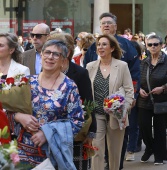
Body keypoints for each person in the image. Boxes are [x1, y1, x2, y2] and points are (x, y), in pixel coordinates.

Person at [8, 39, 84, 169]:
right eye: (47, 52)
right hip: (21, 153)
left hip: (53, 155)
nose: (50, 57)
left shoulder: (69, 87)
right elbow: (8, 110)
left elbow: (77, 121)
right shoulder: (27, 82)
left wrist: (48, 134)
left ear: (63, 61)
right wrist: (18, 116)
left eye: (56, 54)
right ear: (41, 55)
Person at [83, 12, 140, 170]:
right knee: (97, 150)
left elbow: (129, 90)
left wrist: (124, 108)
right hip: (97, 114)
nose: (100, 48)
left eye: (104, 45)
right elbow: (86, 90)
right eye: (98, 45)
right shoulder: (90, 66)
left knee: (115, 153)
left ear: (112, 48)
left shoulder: (122, 66)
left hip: (117, 115)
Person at [48, 31, 97, 170]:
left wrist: (90, 133)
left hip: (76, 134)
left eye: (56, 49)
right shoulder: (46, 71)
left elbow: (89, 103)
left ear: (68, 52)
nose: (52, 54)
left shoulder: (80, 73)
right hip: (51, 133)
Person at [137, 34, 167, 165]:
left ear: (162, 45)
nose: (153, 47)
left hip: (162, 99)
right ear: (146, 46)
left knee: (160, 129)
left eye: (156, 44)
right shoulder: (144, 61)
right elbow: (136, 79)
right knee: (144, 126)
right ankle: (150, 147)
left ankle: (159, 156)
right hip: (144, 99)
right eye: (150, 44)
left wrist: (163, 88)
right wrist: (138, 89)